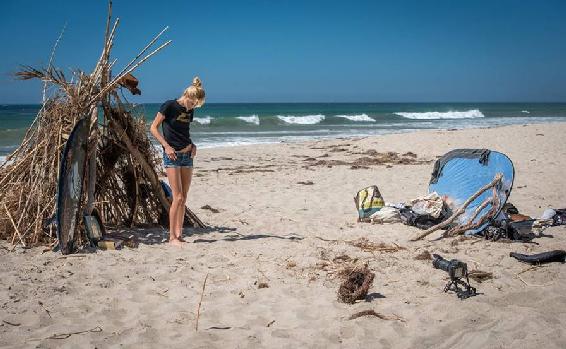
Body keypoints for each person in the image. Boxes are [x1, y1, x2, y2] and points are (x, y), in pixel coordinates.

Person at [150, 77, 205, 246]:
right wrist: (166, 146)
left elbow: (183, 132)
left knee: (184, 197)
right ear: (187, 95)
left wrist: (193, 144)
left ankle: (179, 235)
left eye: (196, 104)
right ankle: (171, 237)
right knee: (178, 197)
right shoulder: (169, 105)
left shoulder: (190, 111)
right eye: (193, 103)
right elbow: (153, 128)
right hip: (172, 156)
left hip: (187, 155)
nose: (194, 106)